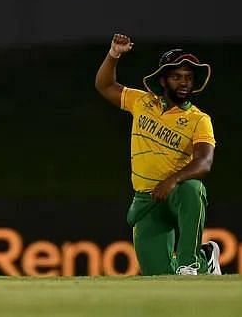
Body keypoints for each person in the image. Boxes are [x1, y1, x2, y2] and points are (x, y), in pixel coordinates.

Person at [94, 34, 222, 275]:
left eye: (188, 77)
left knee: (193, 188)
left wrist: (172, 180)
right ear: (163, 80)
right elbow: (105, 86)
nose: (184, 82)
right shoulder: (142, 102)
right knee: (159, 274)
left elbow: (204, 163)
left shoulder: (199, 119)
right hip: (146, 199)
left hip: (176, 193)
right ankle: (207, 260)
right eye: (177, 77)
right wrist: (114, 55)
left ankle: (190, 262)